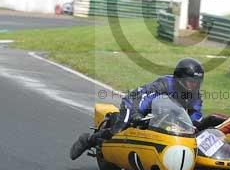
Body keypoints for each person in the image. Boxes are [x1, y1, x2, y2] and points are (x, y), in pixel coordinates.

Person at [69, 58, 205, 160]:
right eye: (190, 81)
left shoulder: (194, 94)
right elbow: (144, 99)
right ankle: (89, 140)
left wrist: (193, 124)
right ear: (179, 78)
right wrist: (137, 114)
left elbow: (196, 113)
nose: (193, 85)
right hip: (135, 103)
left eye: (196, 82)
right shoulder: (164, 84)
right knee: (121, 126)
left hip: (162, 113)